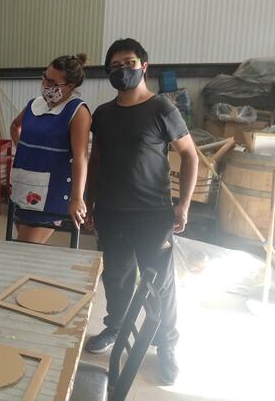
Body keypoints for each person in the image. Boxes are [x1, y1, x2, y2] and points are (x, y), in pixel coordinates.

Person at [84, 38, 198, 385]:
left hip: (152, 214)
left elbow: (190, 155)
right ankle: (116, 327)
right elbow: (96, 160)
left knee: (159, 283)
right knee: (116, 277)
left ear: (144, 66)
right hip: (112, 212)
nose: (123, 71)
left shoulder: (162, 109)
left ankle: (165, 344)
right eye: (115, 67)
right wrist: (89, 202)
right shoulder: (102, 114)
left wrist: (183, 203)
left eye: (129, 63)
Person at [9, 54, 91, 244]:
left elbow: (81, 157)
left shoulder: (77, 112)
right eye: (44, 77)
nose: (45, 84)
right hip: (23, 185)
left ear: (70, 86)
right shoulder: (35, 104)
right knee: (23, 247)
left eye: (52, 82)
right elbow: (15, 126)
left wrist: (77, 197)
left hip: (50, 193)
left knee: (25, 249)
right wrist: (26, 151)